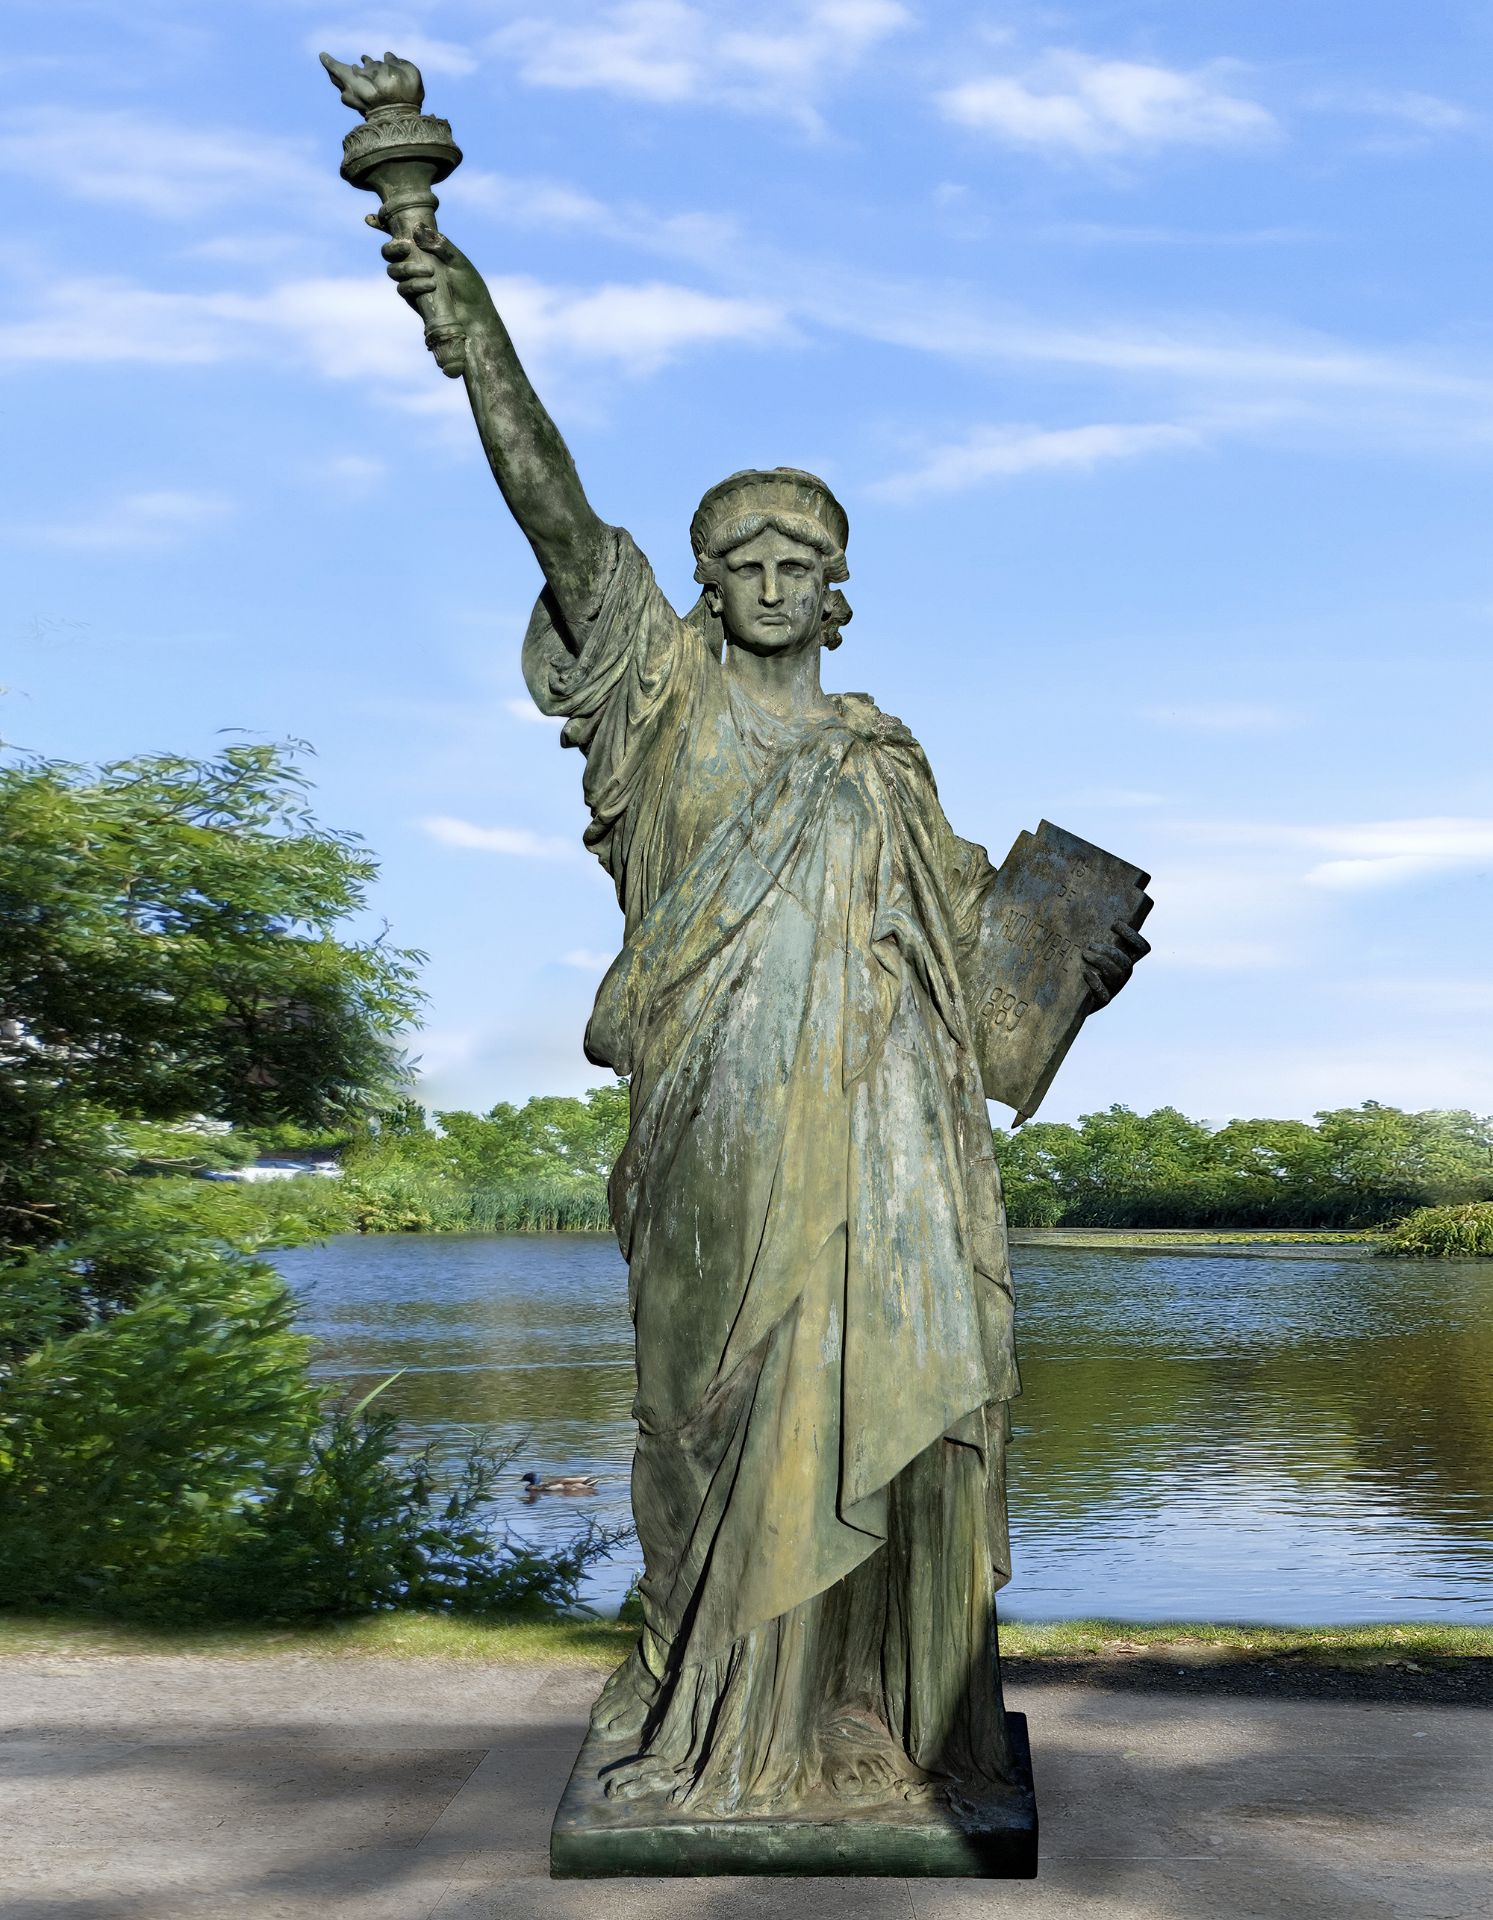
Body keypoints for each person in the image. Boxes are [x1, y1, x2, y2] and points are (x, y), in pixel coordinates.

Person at [381, 222, 1144, 1815]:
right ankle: (726, 1723)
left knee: (904, 1415)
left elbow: (970, 972)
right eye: (745, 565)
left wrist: (1062, 965)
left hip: (892, 1153)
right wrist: (453, 295)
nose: (776, 584)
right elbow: (551, 506)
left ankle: (876, 1716)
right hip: (718, 1132)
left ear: (839, 592)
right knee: (713, 1423)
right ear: (708, 587)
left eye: (803, 564)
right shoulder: (656, 704)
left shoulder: (882, 757)